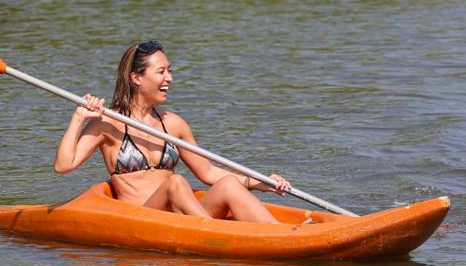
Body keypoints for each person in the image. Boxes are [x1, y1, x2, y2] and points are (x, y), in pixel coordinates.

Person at [54, 41, 291, 223]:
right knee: (175, 183)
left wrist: (260, 182)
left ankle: (280, 234)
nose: (169, 78)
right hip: (144, 220)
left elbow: (207, 172)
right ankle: (216, 235)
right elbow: (64, 166)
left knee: (228, 184)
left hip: (183, 216)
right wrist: (79, 117)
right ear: (137, 78)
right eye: (161, 71)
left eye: (170, 70)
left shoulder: (174, 123)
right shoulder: (107, 122)